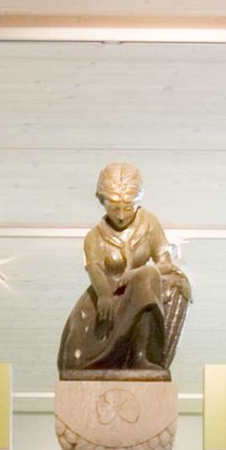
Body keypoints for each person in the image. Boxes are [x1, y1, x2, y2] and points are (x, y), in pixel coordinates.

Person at [59, 161, 191, 377]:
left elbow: (165, 263)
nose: (121, 215)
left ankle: (141, 356)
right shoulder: (94, 236)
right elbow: (94, 269)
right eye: (114, 208)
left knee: (147, 275)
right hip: (107, 295)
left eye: (128, 208)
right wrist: (104, 295)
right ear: (103, 203)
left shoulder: (149, 223)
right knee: (76, 356)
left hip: (141, 290)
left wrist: (135, 274)